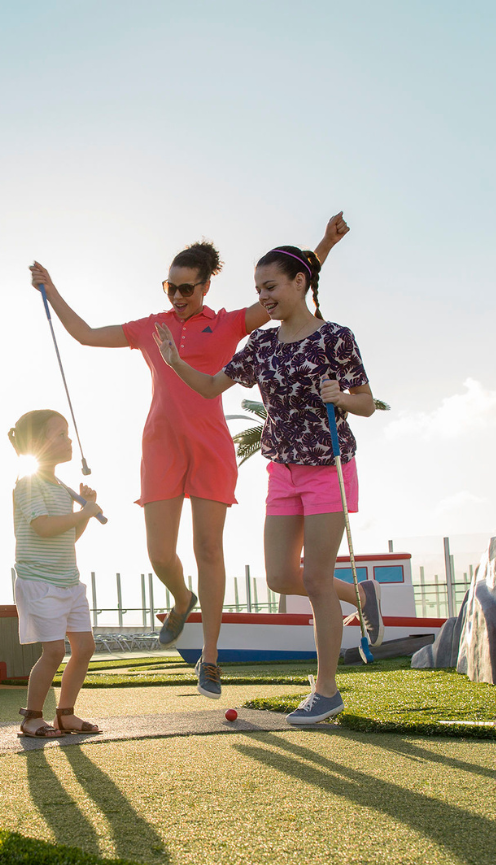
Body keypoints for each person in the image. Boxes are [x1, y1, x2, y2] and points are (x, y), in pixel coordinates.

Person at [26, 213, 349, 699]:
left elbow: (287, 287)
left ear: (204, 288)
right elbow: (86, 334)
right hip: (159, 446)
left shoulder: (228, 324)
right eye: (170, 288)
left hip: (211, 446)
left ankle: (211, 659)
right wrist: (50, 289)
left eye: (186, 290)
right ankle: (182, 598)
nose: (176, 298)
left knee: (208, 550)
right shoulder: (148, 327)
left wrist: (325, 244)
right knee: (160, 553)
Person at [154, 245, 376, 725]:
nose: (265, 298)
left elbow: (367, 403)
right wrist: (174, 362)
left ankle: (326, 690)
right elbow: (213, 386)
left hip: (327, 467)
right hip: (282, 472)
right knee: (280, 576)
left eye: (271, 287)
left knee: (314, 578)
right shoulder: (263, 346)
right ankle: (358, 594)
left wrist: (342, 397)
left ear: (300, 282)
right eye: (258, 291)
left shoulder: (336, 338)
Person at [8, 410, 102, 738]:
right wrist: (85, 512)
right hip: (39, 581)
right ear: (39, 444)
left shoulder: (61, 488)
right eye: (59, 434)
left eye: (67, 434)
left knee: (85, 647)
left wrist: (83, 514)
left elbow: (67, 535)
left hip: (68, 581)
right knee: (53, 651)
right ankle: (32, 718)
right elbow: (44, 528)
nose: (68, 439)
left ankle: (65, 714)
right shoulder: (29, 483)